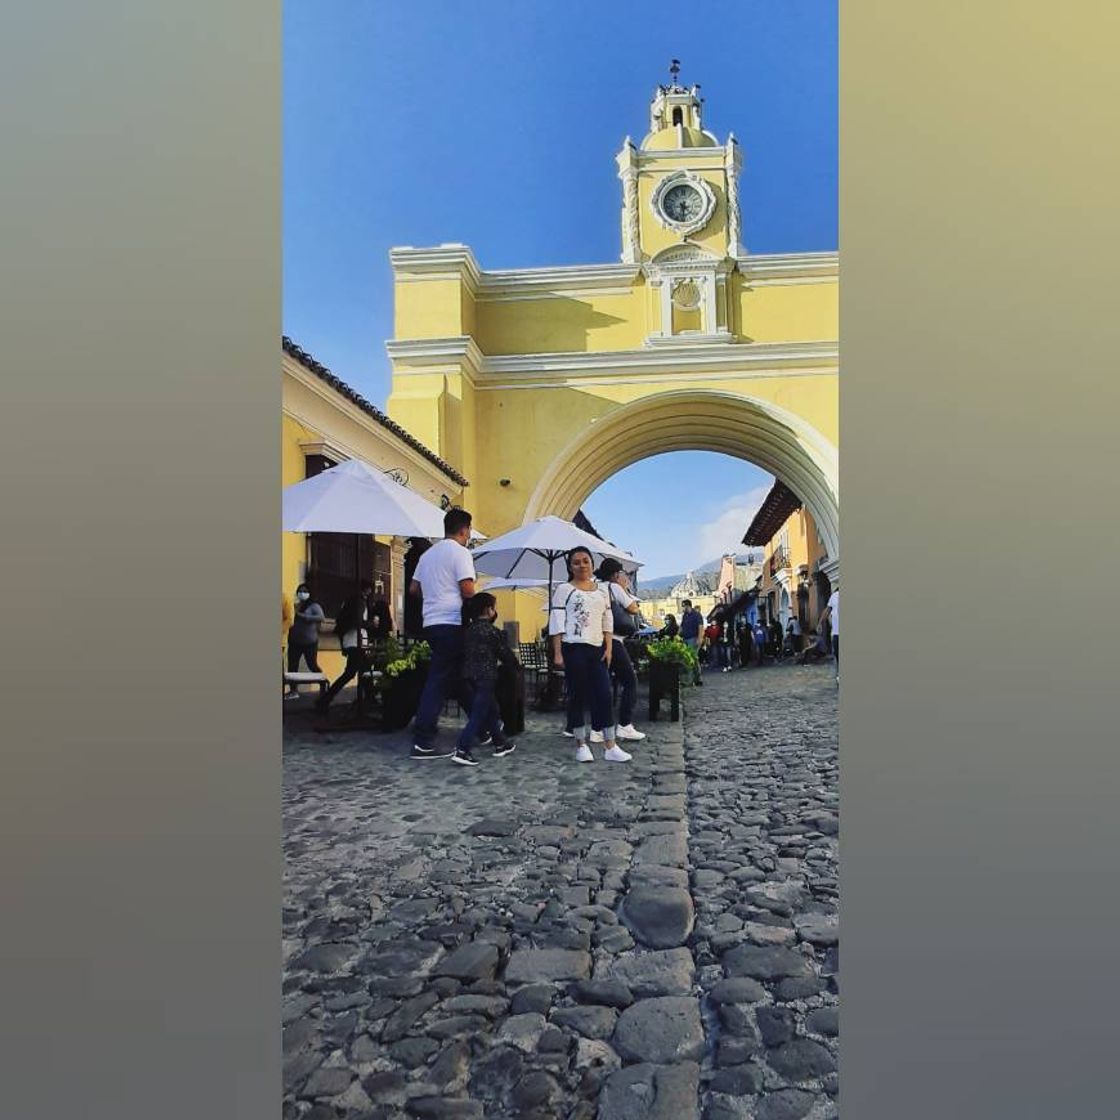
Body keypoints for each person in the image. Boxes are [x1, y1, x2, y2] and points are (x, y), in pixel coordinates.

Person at [550, 546, 631, 763]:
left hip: (597, 648)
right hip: (573, 647)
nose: (582, 565)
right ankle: (581, 744)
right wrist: (557, 653)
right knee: (578, 696)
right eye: (576, 562)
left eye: (585, 561)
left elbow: (607, 620)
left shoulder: (602, 591)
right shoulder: (564, 590)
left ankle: (610, 745)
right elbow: (557, 623)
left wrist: (609, 647)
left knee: (604, 695)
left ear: (592, 564)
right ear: (570, 566)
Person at [409, 507, 477, 759]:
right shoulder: (460, 553)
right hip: (451, 621)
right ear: (464, 529)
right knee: (438, 681)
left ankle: (486, 727)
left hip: (431, 622)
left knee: (459, 679)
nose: (469, 535)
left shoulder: (427, 555)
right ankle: (423, 740)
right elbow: (468, 590)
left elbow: (413, 589)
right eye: (469, 530)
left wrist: (435, 593)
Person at [452, 593, 518, 767]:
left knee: (487, 709)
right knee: (479, 713)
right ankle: (462, 749)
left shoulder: (467, 631)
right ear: (489, 610)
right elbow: (505, 655)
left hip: (469, 675)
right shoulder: (493, 632)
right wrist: (515, 667)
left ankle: (500, 743)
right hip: (487, 676)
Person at [587, 557, 645, 743]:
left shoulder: (595, 588)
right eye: (621, 573)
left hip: (595, 641)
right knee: (630, 681)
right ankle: (625, 725)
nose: (624, 576)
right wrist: (625, 588)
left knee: (600, 686)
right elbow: (633, 608)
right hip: (613, 640)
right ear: (615, 574)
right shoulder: (614, 588)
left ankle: (596, 730)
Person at [316, 581, 377, 713]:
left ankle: (369, 699)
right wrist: (372, 623)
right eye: (371, 590)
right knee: (356, 673)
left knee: (359, 672)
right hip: (357, 642)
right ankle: (325, 700)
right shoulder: (359, 602)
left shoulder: (351, 601)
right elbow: (358, 622)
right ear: (367, 590)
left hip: (352, 641)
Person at [285, 583, 325, 698]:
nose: (302, 593)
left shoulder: (314, 606)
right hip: (294, 641)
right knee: (292, 666)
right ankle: (293, 691)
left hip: (310, 642)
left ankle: (323, 686)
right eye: (300, 591)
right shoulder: (295, 605)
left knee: (312, 665)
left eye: (304, 591)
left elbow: (321, 617)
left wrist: (304, 617)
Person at [678, 599, 704, 685]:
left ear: (687, 606)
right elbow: (682, 627)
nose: (683, 608)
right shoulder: (685, 616)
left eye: (683, 606)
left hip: (693, 639)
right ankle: (689, 679)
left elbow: (700, 627)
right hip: (685, 639)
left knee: (693, 659)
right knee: (687, 659)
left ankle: (698, 679)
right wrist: (677, 635)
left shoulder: (696, 615)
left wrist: (700, 638)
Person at [819, 587, 840, 683]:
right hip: (836, 633)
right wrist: (820, 623)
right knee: (838, 655)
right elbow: (827, 611)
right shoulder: (834, 596)